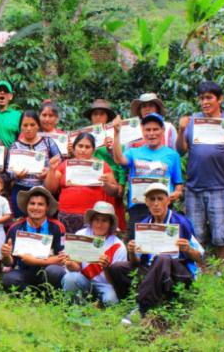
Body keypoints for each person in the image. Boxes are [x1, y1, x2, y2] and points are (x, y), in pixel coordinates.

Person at [106, 183, 203, 324]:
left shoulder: (181, 223)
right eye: (152, 199)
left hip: (178, 273)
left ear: (168, 201)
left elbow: (200, 257)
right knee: (117, 268)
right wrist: (132, 252)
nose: (156, 203)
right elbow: (136, 263)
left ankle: (142, 308)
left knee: (162, 258)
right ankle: (130, 302)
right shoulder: (144, 225)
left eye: (160, 199)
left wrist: (188, 249)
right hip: (151, 271)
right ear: (146, 202)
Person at [176, 81, 224, 261]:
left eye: (209, 98)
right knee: (195, 234)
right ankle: (199, 271)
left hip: (220, 187)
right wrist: (181, 130)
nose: (204, 102)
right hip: (194, 187)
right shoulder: (192, 121)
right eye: (201, 98)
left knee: (221, 234)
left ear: (220, 99)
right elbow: (181, 150)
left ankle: (220, 272)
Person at [112, 113, 184, 237]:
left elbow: (178, 183)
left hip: (163, 206)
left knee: (161, 244)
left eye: (155, 129)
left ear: (163, 130)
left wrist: (177, 193)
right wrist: (117, 133)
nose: (151, 133)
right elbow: (119, 160)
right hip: (139, 205)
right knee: (137, 245)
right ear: (142, 131)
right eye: (148, 130)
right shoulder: (133, 152)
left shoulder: (172, 155)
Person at [44, 132, 120, 233]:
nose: (83, 150)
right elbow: (51, 189)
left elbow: (115, 191)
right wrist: (51, 170)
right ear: (74, 148)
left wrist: (106, 184)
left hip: (93, 217)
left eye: (87, 147)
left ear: (93, 150)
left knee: (87, 247)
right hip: (66, 215)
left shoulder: (101, 166)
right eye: (80, 146)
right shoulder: (65, 165)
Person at [0, 186, 67, 293]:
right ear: (27, 205)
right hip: (24, 271)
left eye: (40, 204)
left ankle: (47, 294)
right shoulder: (15, 227)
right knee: (8, 279)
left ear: (47, 207)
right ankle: (34, 294)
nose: (35, 208)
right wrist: (6, 255)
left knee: (55, 271)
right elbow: (9, 263)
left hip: (47, 271)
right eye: (32, 203)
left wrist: (35, 261)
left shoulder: (57, 227)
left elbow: (62, 258)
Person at [60, 201, 127, 305]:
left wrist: (106, 268)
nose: (99, 225)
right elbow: (76, 268)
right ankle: (74, 308)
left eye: (104, 221)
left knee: (111, 301)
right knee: (70, 278)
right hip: (83, 280)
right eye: (96, 220)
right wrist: (69, 264)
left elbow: (117, 283)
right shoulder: (81, 235)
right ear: (91, 221)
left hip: (106, 285)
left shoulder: (118, 246)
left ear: (110, 224)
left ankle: (97, 306)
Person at [6, 110, 62, 218]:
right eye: (25, 125)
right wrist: (16, 174)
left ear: (38, 125)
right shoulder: (15, 146)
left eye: (32, 125)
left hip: (43, 191)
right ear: (20, 127)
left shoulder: (48, 142)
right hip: (20, 191)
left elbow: (59, 162)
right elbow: (8, 171)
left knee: (41, 222)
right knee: (21, 223)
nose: (28, 128)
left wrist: (48, 171)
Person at [86, 99, 127, 231]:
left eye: (101, 114)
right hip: (89, 181)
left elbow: (121, 160)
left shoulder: (115, 133)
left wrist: (121, 183)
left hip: (110, 182)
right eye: (95, 114)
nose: (98, 117)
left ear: (107, 117)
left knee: (109, 219)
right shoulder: (84, 135)